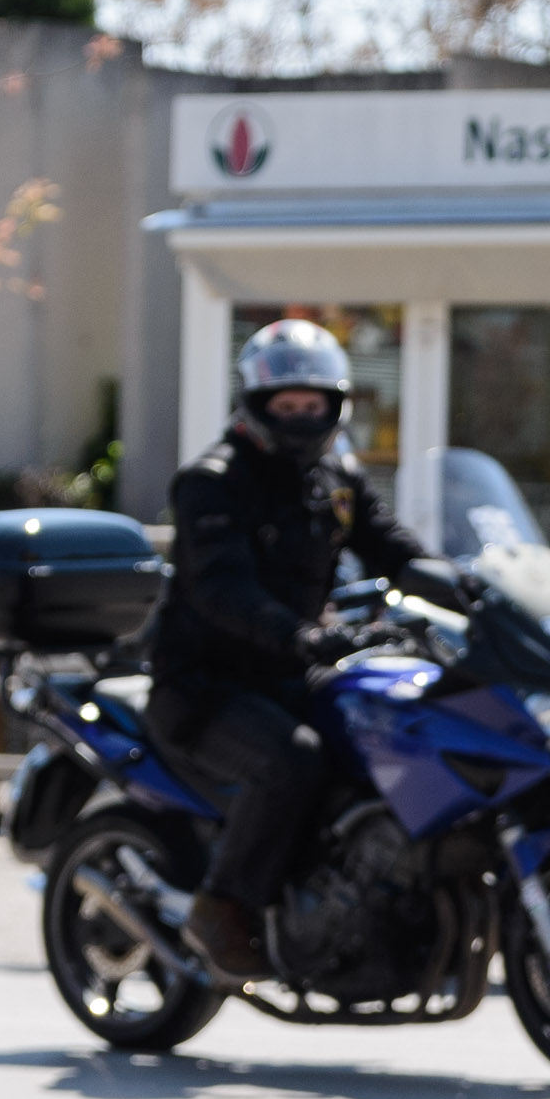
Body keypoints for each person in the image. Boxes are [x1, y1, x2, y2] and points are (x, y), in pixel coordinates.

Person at [151, 317, 457, 983]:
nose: (300, 417)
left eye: (311, 405)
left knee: (392, 727)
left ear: (334, 406)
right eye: (285, 405)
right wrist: (301, 635)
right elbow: (221, 588)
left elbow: (393, 548)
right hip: (206, 685)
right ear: (258, 405)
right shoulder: (213, 481)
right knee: (292, 759)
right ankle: (222, 906)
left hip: (294, 672)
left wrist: (472, 590)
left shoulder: (336, 477)